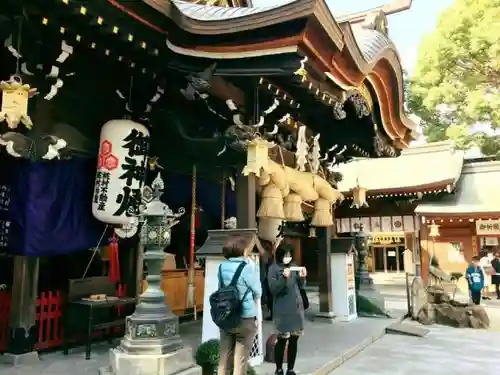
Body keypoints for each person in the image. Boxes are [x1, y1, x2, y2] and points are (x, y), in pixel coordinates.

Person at [217, 236, 262, 375]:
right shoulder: (248, 267)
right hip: (245, 317)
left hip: (226, 316)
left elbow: (221, 290)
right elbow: (258, 291)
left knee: (224, 356)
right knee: (240, 359)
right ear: (241, 251)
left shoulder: (222, 267)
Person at [267, 243, 307, 375]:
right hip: (282, 309)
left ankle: (291, 368)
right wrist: (284, 278)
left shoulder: (294, 266)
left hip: (296, 309)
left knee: (294, 339)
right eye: (285, 255)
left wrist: (302, 277)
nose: (287, 258)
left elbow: (301, 286)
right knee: (282, 339)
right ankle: (278, 369)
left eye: (289, 255)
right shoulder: (273, 269)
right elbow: (274, 289)